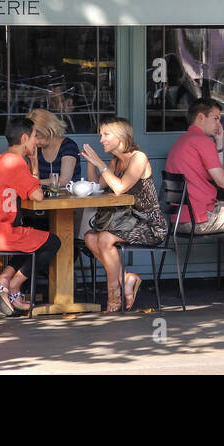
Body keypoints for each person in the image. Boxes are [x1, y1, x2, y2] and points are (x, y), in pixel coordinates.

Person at [0, 117, 61, 316]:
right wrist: (34, 165)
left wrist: (32, 163)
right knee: (52, 241)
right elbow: (37, 195)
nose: (36, 141)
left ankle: (5, 282)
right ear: (25, 137)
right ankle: (11, 285)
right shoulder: (15, 163)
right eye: (35, 136)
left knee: (31, 239)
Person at [80, 118, 166, 312]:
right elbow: (96, 188)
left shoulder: (138, 158)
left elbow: (119, 188)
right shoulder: (115, 161)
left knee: (103, 238)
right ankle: (125, 279)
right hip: (125, 222)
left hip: (149, 224)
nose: (101, 139)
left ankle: (114, 295)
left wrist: (100, 163)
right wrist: (91, 164)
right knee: (89, 238)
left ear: (120, 137)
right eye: (100, 135)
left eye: (106, 134)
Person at [165, 98, 224, 273]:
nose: (219, 124)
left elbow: (215, 174)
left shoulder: (183, 141)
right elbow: (222, 181)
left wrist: (219, 142)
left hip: (179, 219)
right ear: (200, 117)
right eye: (216, 118)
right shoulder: (201, 141)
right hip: (198, 219)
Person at [27, 108, 81, 186]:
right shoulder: (35, 148)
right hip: (41, 196)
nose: (36, 141)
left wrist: (35, 182)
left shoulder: (68, 146)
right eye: (33, 137)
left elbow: (64, 180)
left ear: (49, 130)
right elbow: (30, 176)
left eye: (38, 137)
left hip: (68, 196)